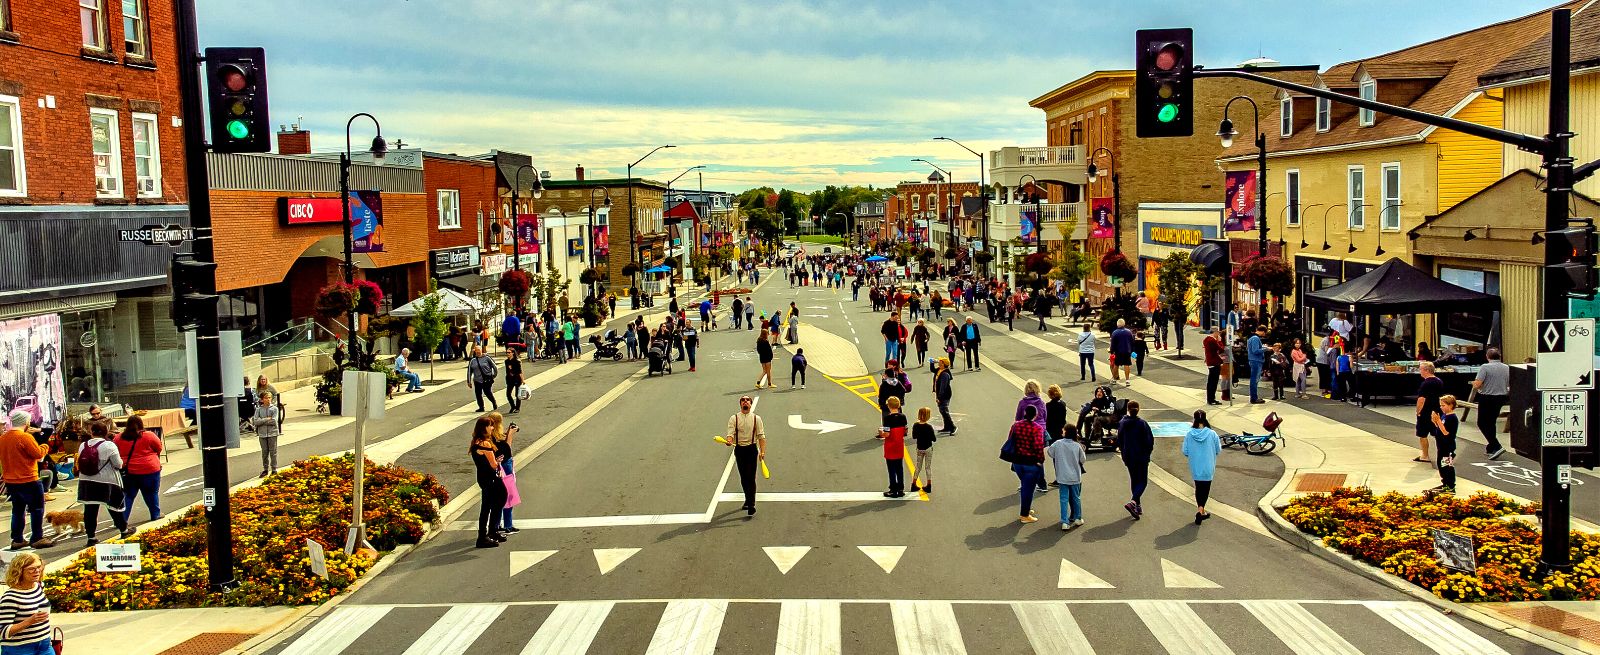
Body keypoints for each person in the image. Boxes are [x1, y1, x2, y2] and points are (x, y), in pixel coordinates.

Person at [74, 420, 129, 545]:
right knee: (114, 506)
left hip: (86, 481)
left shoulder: (83, 445)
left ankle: (91, 537)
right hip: (107, 481)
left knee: (90, 510)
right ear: (106, 432)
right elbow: (118, 464)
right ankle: (124, 530)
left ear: (92, 432)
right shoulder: (109, 445)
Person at [113, 414, 162, 527]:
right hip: (150, 469)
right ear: (141, 424)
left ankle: (123, 520)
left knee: (128, 496)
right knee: (151, 493)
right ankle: (155, 514)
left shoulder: (118, 438)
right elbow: (159, 447)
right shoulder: (149, 436)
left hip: (129, 471)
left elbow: (115, 452)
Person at [0, 553, 52, 654]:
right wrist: (29, 621)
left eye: (39, 567)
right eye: (31, 569)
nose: (37, 571)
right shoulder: (10, 597)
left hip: (44, 644)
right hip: (20, 649)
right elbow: (2, 631)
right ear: (19, 571)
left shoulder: (38, 586)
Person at [723, 395, 767, 516]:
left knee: (751, 477)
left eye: (747, 400)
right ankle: (748, 499)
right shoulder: (734, 418)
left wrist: (762, 452)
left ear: (751, 404)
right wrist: (729, 440)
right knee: (744, 477)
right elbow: (730, 433)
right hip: (740, 450)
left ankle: (751, 504)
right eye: (743, 400)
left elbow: (761, 436)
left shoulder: (756, 419)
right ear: (740, 404)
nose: (745, 402)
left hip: (752, 449)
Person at [470, 415, 508, 548]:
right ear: (484, 428)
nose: (492, 428)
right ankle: (484, 536)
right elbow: (492, 464)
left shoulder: (476, 442)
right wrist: (497, 461)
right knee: (492, 504)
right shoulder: (485, 443)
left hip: (483, 477)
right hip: (490, 478)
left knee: (492, 504)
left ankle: (491, 531)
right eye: (490, 425)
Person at [1469, 348, 1510, 460]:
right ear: (1499, 356)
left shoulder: (1485, 367)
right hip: (1501, 397)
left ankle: (1496, 445)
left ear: (1487, 357)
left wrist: (1474, 383)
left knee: (1482, 422)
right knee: (1491, 422)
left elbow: (1477, 384)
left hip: (1487, 397)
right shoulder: (1506, 367)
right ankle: (1491, 447)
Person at [1007, 405, 1046, 524]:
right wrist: (1041, 460)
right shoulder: (1037, 428)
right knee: (1028, 489)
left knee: (1025, 485)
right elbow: (1039, 446)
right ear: (1035, 415)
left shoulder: (1016, 425)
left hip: (1018, 460)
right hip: (1030, 462)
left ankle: (1026, 509)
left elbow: (1010, 439)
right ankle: (1024, 515)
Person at [1182, 410, 1221, 526]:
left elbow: (1185, 451)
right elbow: (1218, 449)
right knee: (1206, 488)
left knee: (1198, 488)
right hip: (1208, 465)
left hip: (1195, 465)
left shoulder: (1189, 434)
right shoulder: (1212, 434)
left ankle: (1201, 509)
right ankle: (1201, 509)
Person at [1117, 401, 1154, 520]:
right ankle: (1133, 502)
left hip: (1128, 456)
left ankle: (1137, 505)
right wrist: (1147, 453)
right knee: (1143, 481)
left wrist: (1123, 454)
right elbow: (1149, 441)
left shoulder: (1122, 423)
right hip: (1141, 457)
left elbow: (1120, 440)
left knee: (1134, 479)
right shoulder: (1142, 424)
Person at [1048, 424, 1086, 530]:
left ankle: (1064, 521)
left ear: (1066, 432)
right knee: (1076, 498)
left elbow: (1050, 453)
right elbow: (1083, 459)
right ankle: (1078, 518)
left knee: (1063, 499)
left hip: (1062, 476)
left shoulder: (1058, 443)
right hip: (1075, 477)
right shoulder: (1077, 445)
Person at [1016, 380, 1050, 492]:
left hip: (1026, 431)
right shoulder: (1041, 402)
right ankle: (1042, 484)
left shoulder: (1022, 403)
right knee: (1038, 458)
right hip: (1040, 431)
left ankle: (1025, 482)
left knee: (1023, 458)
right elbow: (1045, 417)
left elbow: (1018, 418)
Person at [1414, 361, 1444, 465]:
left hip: (1426, 412)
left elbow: (1421, 399)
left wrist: (1418, 411)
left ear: (1426, 370)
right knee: (1437, 434)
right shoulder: (1439, 381)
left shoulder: (1425, 383)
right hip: (1437, 411)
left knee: (1423, 434)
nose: (1420, 371)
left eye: (1420, 369)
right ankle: (1443, 455)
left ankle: (1425, 455)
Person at [1429, 395, 1460, 494]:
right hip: (1441, 446)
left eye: (1443, 405)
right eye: (1440, 405)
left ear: (1451, 405)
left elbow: (1446, 432)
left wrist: (1438, 421)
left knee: (1447, 466)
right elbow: (1440, 427)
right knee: (1440, 464)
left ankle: (1450, 486)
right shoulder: (1444, 416)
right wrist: (1435, 422)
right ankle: (1445, 483)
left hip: (1448, 447)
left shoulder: (1452, 418)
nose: (1441, 407)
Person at [878, 397, 908, 498]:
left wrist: (881, 433)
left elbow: (887, 434)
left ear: (888, 406)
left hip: (890, 446)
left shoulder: (887, 419)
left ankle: (893, 489)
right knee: (899, 468)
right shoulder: (903, 417)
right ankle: (900, 488)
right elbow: (905, 431)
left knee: (891, 469)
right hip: (899, 445)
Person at [250, 389, 281, 478]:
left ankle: (274, 469)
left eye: (269, 398)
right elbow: (255, 422)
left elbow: (274, 421)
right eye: (266, 398)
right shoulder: (258, 410)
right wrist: (267, 419)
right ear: (262, 399)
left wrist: (262, 421)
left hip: (272, 433)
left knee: (273, 452)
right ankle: (265, 469)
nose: (268, 399)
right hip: (262, 434)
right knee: (264, 452)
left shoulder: (275, 409)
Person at [909, 406, 936, 494]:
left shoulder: (916, 425)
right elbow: (934, 439)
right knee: (927, 467)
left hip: (919, 448)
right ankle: (928, 485)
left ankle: (914, 483)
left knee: (918, 466)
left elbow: (914, 436)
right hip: (928, 448)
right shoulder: (929, 427)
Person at [876, 360, 911, 427]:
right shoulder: (897, 382)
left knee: (886, 420)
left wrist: (881, 404)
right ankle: (900, 430)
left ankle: (887, 431)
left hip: (887, 405)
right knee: (898, 418)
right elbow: (903, 390)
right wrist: (899, 399)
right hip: (896, 404)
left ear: (886, 375)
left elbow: (881, 395)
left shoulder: (884, 384)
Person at [467, 347, 498, 412]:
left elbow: (494, 367)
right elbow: (469, 371)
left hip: (487, 379)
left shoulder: (487, 358)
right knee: (478, 394)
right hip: (477, 380)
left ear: (481, 350)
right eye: (476, 351)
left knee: (487, 392)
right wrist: (469, 381)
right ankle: (481, 407)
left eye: (479, 350)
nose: (478, 352)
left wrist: (493, 375)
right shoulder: (473, 360)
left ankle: (494, 402)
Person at [933, 358, 955, 435]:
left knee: (944, 411)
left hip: (944, 395)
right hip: (940, 393)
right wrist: (931, 363)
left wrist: (939, 397)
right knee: (942, 411)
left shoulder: (945, 374)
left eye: (940, 362)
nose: (938, 363)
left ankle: (952, 427)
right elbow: (933, 370)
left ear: (943, 364)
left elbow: (943, 387)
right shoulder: (940, 370)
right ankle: (946, 427)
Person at [1246, 325, 1267, 404]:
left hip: (1253, 360)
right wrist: (1265, 349)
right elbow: (1255, 350)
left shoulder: (1251, 338)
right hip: (1256, 361)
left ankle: (1254, 397)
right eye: (1264, 333)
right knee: (1255, 380)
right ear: (1262, 331)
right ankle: (1254, 398)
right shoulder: (1255, 338)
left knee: (1254, 379)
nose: (1264, 335)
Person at [1109, 319, 1134, 384]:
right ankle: (1127, 380)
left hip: (1118, 351)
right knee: (1127, 365)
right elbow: (1132, 341)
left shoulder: (1115, 332)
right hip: (1127, 351)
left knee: (1116, 365)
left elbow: (1113, 343)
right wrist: (1132, 350)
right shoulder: (1129, 332)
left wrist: (1112, 351)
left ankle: (1114, 379)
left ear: (1117, 324)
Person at [504, 349, 523, 415]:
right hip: (509, 379)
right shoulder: (506, 361)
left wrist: (523, 380)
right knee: (508, 394)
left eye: (509, 352)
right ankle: (513, 406)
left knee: (517, 394)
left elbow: (520, 372)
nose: (507, 354)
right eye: (507, 352)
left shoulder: (517, 361)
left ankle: (517, 408)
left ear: (513, 353)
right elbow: (507, 371)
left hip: (517, 379)